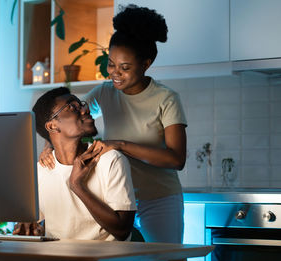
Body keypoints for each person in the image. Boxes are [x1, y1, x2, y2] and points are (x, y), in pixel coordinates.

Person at [39, 5, 187, 247]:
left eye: (125, 68)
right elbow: (70, 118)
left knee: (168, 259)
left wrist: (119, 145)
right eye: (111, 64)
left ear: (146, 64)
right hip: (114, 198)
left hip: (157, 198)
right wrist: (48, 146)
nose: (115, 73)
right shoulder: (105, 93)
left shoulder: (166, 99)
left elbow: (176, 159)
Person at [15, 87, 137, 241]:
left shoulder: (111, 160)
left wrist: (77, 185)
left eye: (82, 104)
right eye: (72, 106)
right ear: (52, 126)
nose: (85, 110)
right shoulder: (41, 170)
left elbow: (122, 231)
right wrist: (27, 225)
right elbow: (32, 223)